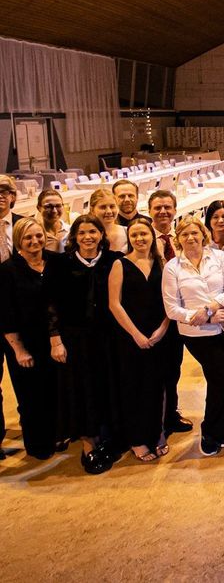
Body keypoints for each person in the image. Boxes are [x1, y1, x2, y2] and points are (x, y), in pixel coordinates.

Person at [46, 214, 123, 473]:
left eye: (93, 232)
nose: (88, 237)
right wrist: (55, 339)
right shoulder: (60, 264)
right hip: (75, 339)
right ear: (74, 237)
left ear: (102, 235)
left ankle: (108, 436)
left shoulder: (114, 261)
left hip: (108, 337)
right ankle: (88, 442)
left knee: (108, 386)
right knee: (82, 389)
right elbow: (50, 304)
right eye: (82, 233)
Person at [162, 216, 224, 456]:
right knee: (222, 377)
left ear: (203, 234)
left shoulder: (219, 257)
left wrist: (211, 309)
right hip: (196, 334)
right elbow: (172, 308)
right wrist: (204, 318)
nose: (190, 238)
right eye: (185, 234)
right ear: (179, 239)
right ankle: (209, 431)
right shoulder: (173, 268)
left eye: (194, 232)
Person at [107, 217, 170, 462]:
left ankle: (158, 433)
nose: (140, 239)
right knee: (134, 387)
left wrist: (163, 328)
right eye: (134, 235)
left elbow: (169, 299)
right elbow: (114, 304)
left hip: (158, 333)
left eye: (144, 234)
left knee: (158, 386)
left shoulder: (161, 262)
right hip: (131, 336)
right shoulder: (120, 265)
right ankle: (137, 439)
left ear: (152, 236)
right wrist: (136, 334)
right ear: (129, 239)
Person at [0, 218, 60, 460]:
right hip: (25, 343)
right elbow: (5, 313)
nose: (35, 241)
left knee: (53, 390)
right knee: (31, 395)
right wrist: (19, 349)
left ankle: (58, 434)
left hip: (56, 340)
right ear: (18, 242)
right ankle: (38, 444)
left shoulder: (55, 262)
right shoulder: (7, 270)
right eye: (28, 238)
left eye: (38, 236)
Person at [148, 190, 192, 436]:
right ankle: (156, 418)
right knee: (156, 368)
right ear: (150, 210)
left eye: (167, 207)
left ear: (175, 210)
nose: (163, 212)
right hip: (155, 314)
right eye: (158, 208)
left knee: (174, 366)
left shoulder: (180, 238)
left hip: (181, 313)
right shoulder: (143, 237)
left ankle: (171, 413)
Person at [0, 174, 22, 457]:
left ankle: (34, 427)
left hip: (20, 314)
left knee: (25, 375)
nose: (0, 196)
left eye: (6, 191)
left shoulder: (24, 225)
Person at [89, 188, 128, 253]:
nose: (109, 211)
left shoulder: (127, 232)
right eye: (103, 207)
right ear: (92, 210)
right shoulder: (86, 237)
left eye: (112, 206)